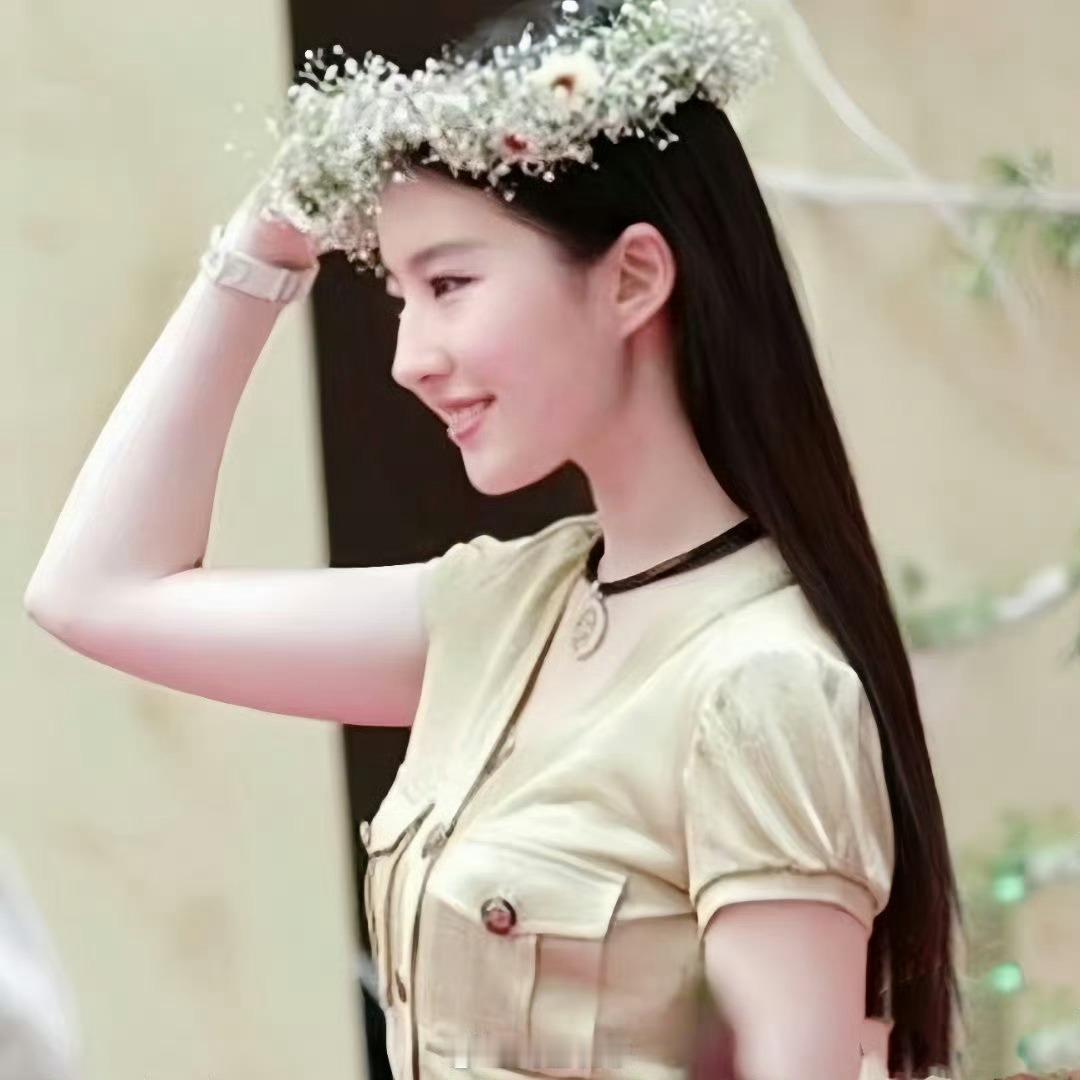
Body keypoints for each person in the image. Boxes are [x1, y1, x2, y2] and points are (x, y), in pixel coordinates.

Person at [22, 1, 965, 1077]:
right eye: (401, 294)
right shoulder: (500, 615)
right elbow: (93, 592)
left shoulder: (761, 684)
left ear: (634, 278)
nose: (409, 358)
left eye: (450, 284)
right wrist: (259, 251)